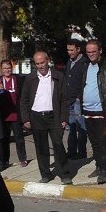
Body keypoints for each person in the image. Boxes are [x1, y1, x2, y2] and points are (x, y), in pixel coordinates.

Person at [76, 39, 106, 184]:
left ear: (100, 51)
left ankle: (105, 170)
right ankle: (99, 165)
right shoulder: (85, 66)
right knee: (94, 142)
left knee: (103, 142)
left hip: (103, 111)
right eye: (88, 52)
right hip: (87, 111)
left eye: (93, 51)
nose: (91, 54)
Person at [20, 51, 72, 184]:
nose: (40, 66)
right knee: (41, 147)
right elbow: (24, 100)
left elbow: (65, 100)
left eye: (42, 62)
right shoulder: (30, 78)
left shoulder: (58, 76)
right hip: (36, 116)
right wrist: (26, 119)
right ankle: (46, 174)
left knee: (58, 145)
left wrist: (64, 118)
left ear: (47, 61)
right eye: (37, 64)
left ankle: (64, 174)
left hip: (54, 116)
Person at [0, 59, 28, 169]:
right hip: (3, 115)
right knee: (4, 139)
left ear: (11, 68)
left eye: (8, 68)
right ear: (1, 69)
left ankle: (23, 159)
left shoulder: (18, 79)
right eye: (4, 68)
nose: (7, 70)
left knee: (19, 138)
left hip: (15, 114)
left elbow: (23, 96)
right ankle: (5, 160)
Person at [64, 39, 89, 160]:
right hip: (69, 100)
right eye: (68, 50)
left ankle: (82, 152)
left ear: (78, 49)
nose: (69, 52)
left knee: (81, 127)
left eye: (71, 50)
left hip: (79, 100)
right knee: (71, 127)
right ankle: (71, 151)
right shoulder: (69, 62)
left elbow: (85, 82)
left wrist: (80, 97)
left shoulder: (84, 63)